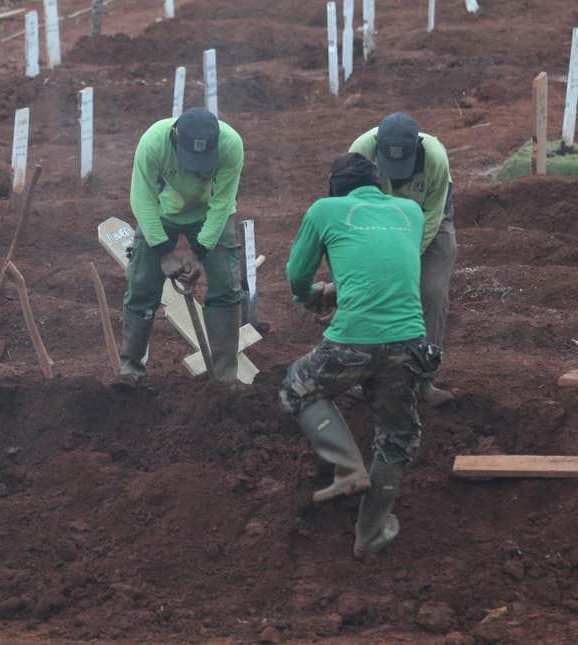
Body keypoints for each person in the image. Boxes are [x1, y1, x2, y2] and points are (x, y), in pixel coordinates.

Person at [280, 153, 439, 558]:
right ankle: (370, 535)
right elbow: (382, 262)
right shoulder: (410, 212)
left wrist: (309, 296)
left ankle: (348, 468)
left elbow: (297, 275)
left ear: (335, 189)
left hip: (353, 342)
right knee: (396, 438)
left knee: (298, 387)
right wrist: (340, 289)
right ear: (379, 185)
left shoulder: (324, 210)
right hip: (410, 343)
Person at [117, 107, 245, 387]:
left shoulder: (230, 145)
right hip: (163, 213)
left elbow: (223, 202)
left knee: (226, 285)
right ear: (175, 137)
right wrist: (163, 251)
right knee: (141, 285)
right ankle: (130, 371)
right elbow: (142, 200)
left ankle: (225, 378)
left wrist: (200, 251)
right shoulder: (153, 143)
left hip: (210, 214)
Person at [349, 112, 456, 405]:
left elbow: (434, 216)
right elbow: (351, 211)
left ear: (417, 149)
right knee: (368, 292)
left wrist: (405, 260)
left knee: (432, 293)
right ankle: (365, 376)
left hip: (428, 225)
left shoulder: (435, 157)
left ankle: (424, 380)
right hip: (375, 226)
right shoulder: (360, 151)